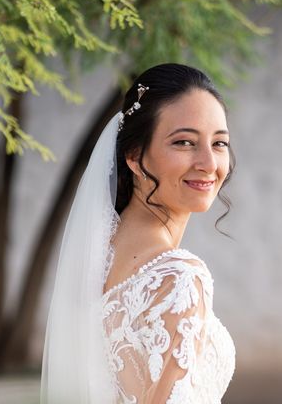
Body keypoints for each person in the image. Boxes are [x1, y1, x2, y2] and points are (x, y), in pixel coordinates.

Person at [41, 63, 236, 404]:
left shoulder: (97, 256)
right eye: (184, 142)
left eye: (219, 143)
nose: (208, 162)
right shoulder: (179, 277)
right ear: (134, 156)